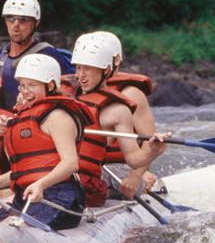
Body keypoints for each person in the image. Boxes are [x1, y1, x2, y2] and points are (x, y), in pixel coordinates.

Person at [0, 54, 93, 230]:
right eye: (22, 85)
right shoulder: (27, 116)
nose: (25, 91)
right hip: (28, 195)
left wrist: (41, 184)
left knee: (6, 231)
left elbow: (71, 163)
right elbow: (26, 169)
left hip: (59, 196)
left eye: (32, 85)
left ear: (50, 85)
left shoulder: (58, 116)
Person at [70, 31, 168, 199]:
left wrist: (136, 176)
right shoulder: (77, 94)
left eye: (88, 67)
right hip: (91, 167)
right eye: (79, 67)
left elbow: (146, 143)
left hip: (120, 168)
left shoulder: (129, 94)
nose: (81, 75)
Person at [0, 0, 74, 110]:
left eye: (23, 20)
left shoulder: (49, 56)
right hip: (1, 122)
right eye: (10, 18)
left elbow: (65, 96)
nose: (16, 25)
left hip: (35, 120)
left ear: (35, 23)